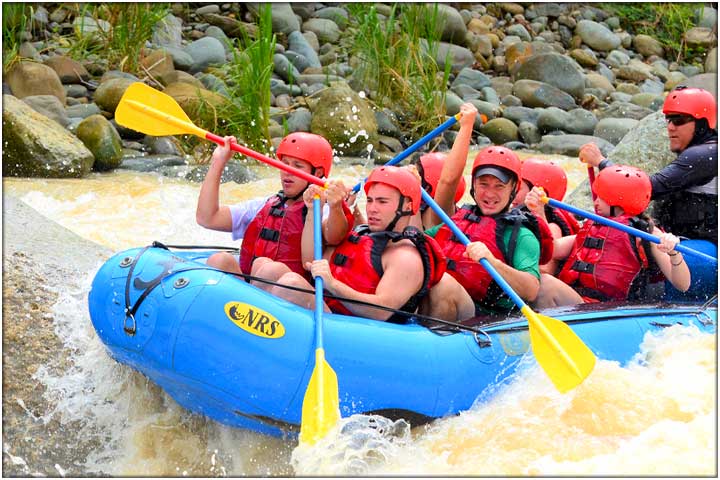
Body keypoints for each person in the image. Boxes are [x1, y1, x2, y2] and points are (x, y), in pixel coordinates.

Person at [579, 85, 717, 299]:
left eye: (679, 120)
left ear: (701, 124)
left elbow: (643, 188)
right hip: (681, 240)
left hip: (707, 251)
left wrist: (601, 162)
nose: (670, 127)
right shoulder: (701, 153)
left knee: (664, 256)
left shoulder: (705, 155)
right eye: (668, 119)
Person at [268, 166, 447, 322]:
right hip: (331, 313)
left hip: (358, 332)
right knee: (269, 268)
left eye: (382, 202)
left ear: (407, 206)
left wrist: (333, 284)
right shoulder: (361, 233)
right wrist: (313, 210)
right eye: (370, 200)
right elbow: (309, 262)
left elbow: (381, 311)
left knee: (292, 284)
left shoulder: (406, 257)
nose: (372, 209)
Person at [195, 133, 353, 285]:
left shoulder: (324, 209)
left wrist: (335, 205)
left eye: (297, 166)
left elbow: (332, 238)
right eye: (284, 164)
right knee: (220, 260)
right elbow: (207, 218)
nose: (287, 171)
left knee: (266, 268)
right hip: (251, 291)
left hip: (292, 296)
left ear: (317, 173)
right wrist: (218, 162)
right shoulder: (264, 204)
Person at [531, 165, 691, 308]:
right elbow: (553, 249)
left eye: (601, 197)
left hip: (612, 310)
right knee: (537, 281)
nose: (596, 202)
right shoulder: (592, 226)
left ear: (619, 200)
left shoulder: (647, 234)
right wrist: (539, 213)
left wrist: (673, 252)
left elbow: (683, 284)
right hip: (579, 302)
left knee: (546, 284)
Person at [433, 146, 554, 316]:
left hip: (485, 318)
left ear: (514, 188)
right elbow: (422, 240)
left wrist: (492, 261)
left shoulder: (521, 234)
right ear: (473, 183)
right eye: (483, 184)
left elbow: (531, 289)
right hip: (446, 302)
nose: (489, 194)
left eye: (499, 186)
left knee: (443, 284)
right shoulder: (460, 218)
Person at [512, 157, 581, 274]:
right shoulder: (511, 214)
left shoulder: (553, 227)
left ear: (539, 193)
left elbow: (545, 271)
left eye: (518, 188)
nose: (511, 192)